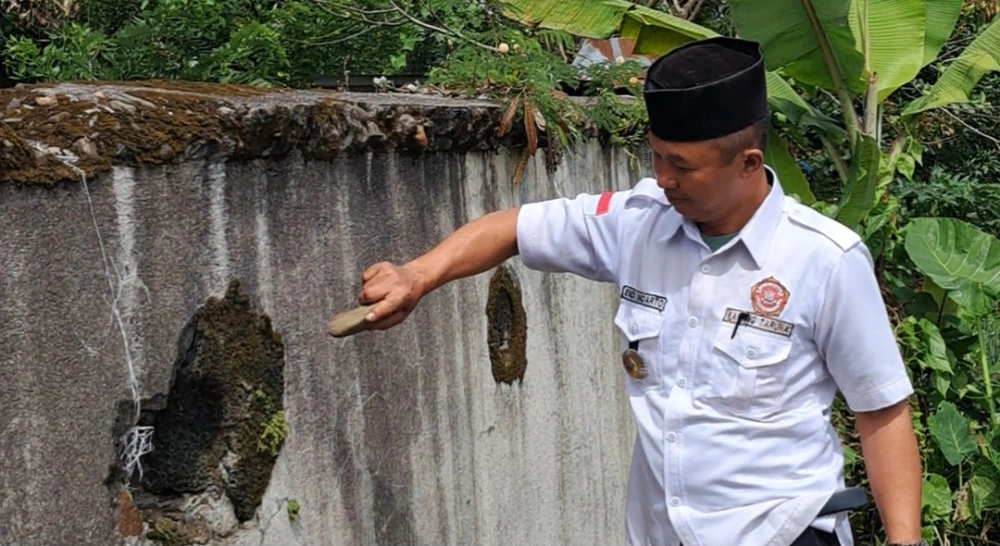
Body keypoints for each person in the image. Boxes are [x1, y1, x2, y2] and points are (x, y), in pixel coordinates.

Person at [354, 37, 924, 546]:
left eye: (681, 164)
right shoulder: (638, 222)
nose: (663, 177)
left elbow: (882, 411)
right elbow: (512, 228)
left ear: (748, 163)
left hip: (779, 531)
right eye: (656, 155)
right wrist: (418, 275)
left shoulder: (825, 259)